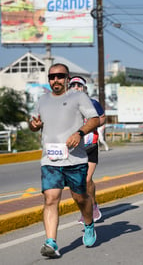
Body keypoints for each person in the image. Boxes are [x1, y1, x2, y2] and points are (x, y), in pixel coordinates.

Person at [29, 63, 99, 258]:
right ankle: (51, 242)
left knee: (80, 198)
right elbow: (34, 124)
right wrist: (33, 125)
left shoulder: (78, 97)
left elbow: (94, 119)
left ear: (67, 78)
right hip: (50, 159)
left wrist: (80, 133)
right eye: (52, 77)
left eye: (60, 76)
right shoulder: (42, 100)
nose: (56, 80)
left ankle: (89, 224)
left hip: (75, 159)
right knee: (50, 198)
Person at [68, 76, 105, 224]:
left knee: (87, 179)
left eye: (79, 85)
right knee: (78, 184)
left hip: (90, 146)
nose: (76, 87)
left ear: (84, 88)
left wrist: (92, 124)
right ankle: (86, 209)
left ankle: (93, 206)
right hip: (75, 150)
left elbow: (102, 118)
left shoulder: (93, 103)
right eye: (73, 85)